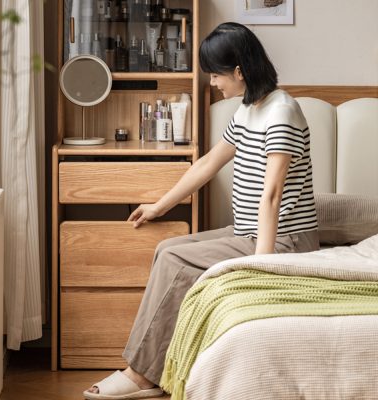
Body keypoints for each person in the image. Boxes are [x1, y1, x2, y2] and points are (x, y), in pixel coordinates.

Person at [84, 22, 319, 400]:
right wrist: (159, 206)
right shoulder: (249, 109)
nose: (212, 83)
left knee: (177, 263)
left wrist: (260, 267)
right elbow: (209, 163)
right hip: (247, 232)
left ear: (239, 71)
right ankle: (163, 365)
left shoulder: (283, 112)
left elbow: (272, 194)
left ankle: (142, 375)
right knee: (167, 249)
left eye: (215, 74)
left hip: (283, 241)